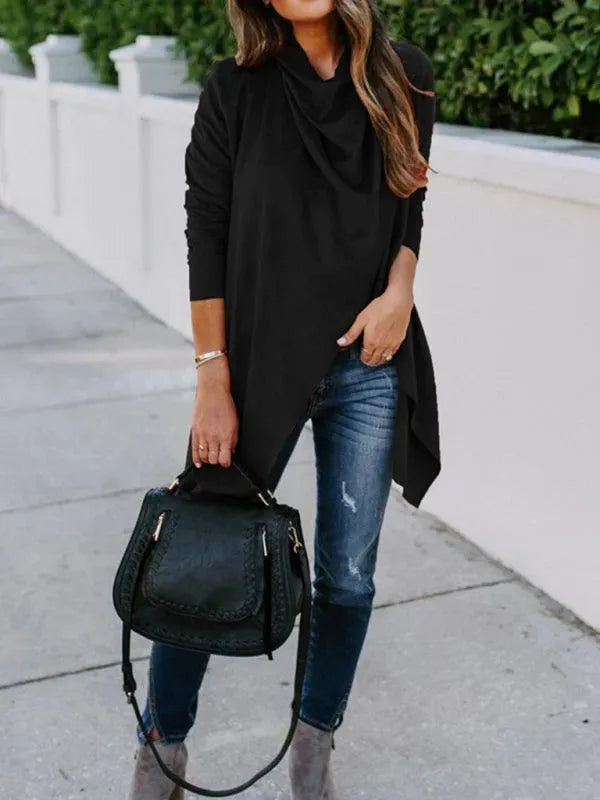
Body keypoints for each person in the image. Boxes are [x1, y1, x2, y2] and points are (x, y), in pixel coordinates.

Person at [127, 0, 440, 796]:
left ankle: (313, 747)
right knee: (199, 563)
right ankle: (163, 752)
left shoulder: (404, 76)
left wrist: (399, 293)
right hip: (257, 363)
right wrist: (212, 377)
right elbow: (206, 230)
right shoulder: (236, 88)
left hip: (369, 361)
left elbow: (410, 207)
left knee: (348, 580)